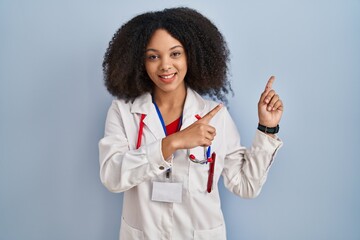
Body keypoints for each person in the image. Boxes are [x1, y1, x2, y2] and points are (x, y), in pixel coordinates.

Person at [99, 7, 283, 240]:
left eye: (175, 54)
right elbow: (112, 177)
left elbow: (246, 185)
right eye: (153, 56)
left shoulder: (215, 115)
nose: (165, 65)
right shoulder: (124, 112)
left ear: (191, 55)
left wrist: (266, 129)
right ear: (140, 61)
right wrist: (172, 143)